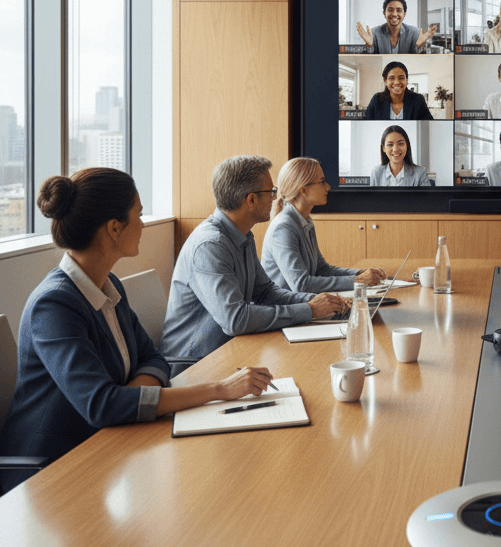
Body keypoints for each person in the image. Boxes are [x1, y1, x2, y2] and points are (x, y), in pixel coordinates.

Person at [0, 169, 274, 492]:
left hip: (108, 450)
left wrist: (131, 398)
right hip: (48, 476)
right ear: (114, 228)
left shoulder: (109, 285)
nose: (143, 224)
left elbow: (155, 358)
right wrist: (219, 390)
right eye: (139, 215)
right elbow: (101, 405)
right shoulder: (53, 306)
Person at [162, 156, 349, 371]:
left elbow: (265, 292)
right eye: (270, 192)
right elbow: (236, 319)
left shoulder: (242, 235)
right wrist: (309, 309)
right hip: (195, 364)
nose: (275, 198)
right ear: (250, 200)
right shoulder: (210, 246)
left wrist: (320, 303)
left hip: (230, 350)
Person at [261, 157, 387, 291]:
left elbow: (321, 269)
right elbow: (301, 285)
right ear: (303, 190)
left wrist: (359, 273)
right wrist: (357, 281)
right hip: (288, 308)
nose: (328, 187)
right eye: (322, 182)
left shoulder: (305, 220)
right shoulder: (283, 227)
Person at [356, 0, 437, 54]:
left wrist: (421, 47)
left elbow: (422, 61)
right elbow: (369, 62)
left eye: (399, 10)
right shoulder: (374, 33)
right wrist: (369, 46)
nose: (394, 14)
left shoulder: (415, 33)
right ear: (384, 13)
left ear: (404, 14)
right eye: (390, 10)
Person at [363, 61, 434, 120]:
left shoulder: (418, 100)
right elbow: (366, 123)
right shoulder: (377, 100)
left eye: (401, 78)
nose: (397, 82)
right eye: (391, 78)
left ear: (407, 80)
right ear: (385, 80)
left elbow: (430, 124)